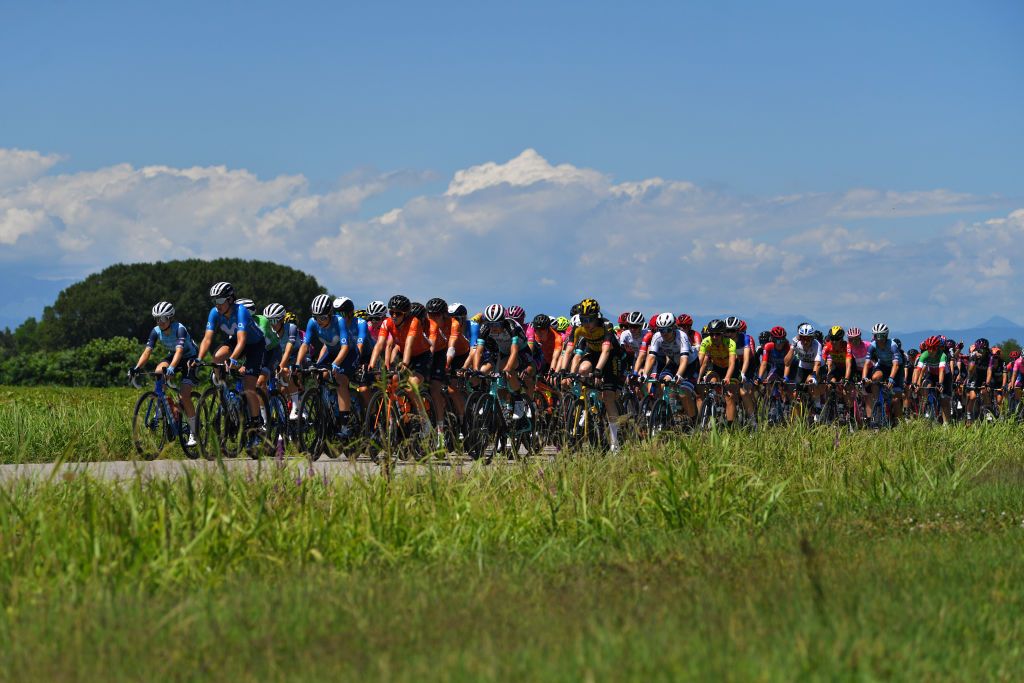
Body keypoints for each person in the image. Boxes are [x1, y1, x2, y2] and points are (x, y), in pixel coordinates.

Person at [196, 282, 267, 427]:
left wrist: (233, 359)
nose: (217, 304)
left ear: (230, 299)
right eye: (215, 301)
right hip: (235, 341)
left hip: (254, 345)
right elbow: (207, 338)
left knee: (249, 387)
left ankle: (256, 423)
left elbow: (242, 341)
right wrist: (198, 359)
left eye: (220, 300)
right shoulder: (214, 312)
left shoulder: (241, 311)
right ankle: (223, 386)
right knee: (217, 357)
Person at [130, 301, 200, 446]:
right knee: (158, 372)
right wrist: (136, 368)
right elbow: (147, 352)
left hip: (189, 358)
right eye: (157, 319)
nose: (160, 322)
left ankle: (194, 431)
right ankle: (162, 404)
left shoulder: (180, 329)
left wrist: (172, 367)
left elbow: (180, 351)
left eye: (163, 318)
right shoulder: (156, 331)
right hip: (174, 355)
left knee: (184, 395)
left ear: (170, 318)